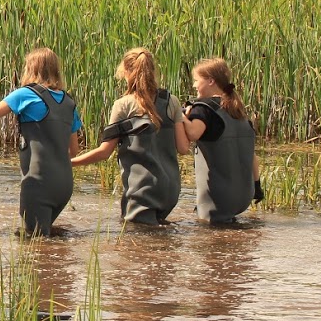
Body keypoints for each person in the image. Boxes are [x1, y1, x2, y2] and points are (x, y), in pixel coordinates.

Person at [71, 47, 191, 226]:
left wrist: (70, 163)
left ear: (127, 71)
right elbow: (183, 148)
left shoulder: (123, 105)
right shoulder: (171, 101)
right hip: (171, 190)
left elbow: (105, 152)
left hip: (142, 191)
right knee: (159, 245)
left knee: (136, 243)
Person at [0, 48, 83, 237]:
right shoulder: (69, 103)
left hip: (39, 183)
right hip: (65, 184)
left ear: (30, 69)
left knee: (34, 246)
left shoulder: (25, 94)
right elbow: (73, 150)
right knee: (44, 240)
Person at [183, 57, 262, 224]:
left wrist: (179, 116)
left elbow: (193, 134)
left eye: (197, 80)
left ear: (211, 81)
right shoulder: (237, 110)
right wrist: (258, 185)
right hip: (245, 195)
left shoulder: (204, 109)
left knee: (209, 241)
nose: (194, 85)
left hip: (218, 198)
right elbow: (251, 154)